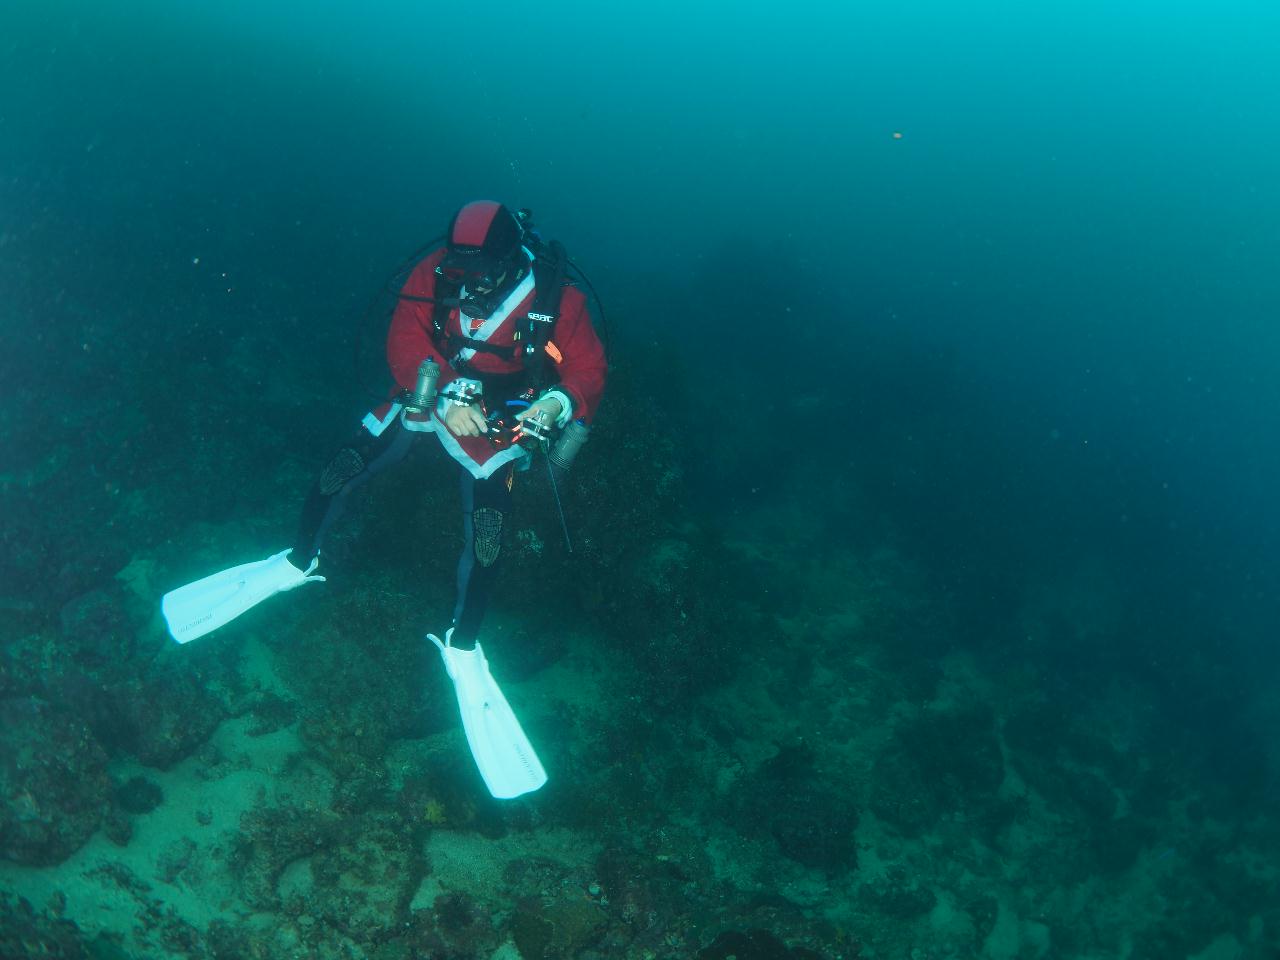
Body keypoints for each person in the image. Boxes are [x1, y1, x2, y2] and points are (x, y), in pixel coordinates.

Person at [160, 201, 607, 797]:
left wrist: (557, 404)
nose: (468, 279)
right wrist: (445, 392)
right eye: (460, 265)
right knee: (340, 468)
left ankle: (465, 645)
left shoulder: (557, 299)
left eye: (482, 269)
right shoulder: (435, 270)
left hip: (501, 420)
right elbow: (403, 338)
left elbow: (589, 369)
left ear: (509, 258)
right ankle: (297, 560)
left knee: (490, 536)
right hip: (429, 391)